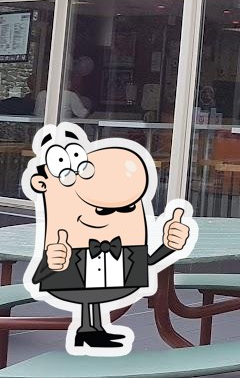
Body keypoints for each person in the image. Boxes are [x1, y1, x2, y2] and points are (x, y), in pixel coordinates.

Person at [23, 123, 193, 353]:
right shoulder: (65, 241)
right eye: (102, 209)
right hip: (76, 278)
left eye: (126, 209)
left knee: (92, 294)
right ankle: (89, 330)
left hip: (109, 278)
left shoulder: (124, 247)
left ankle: (92, 330)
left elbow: (148, 263)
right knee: (86, 293)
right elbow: (41, 275)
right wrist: (53, 262)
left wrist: (169, 245)